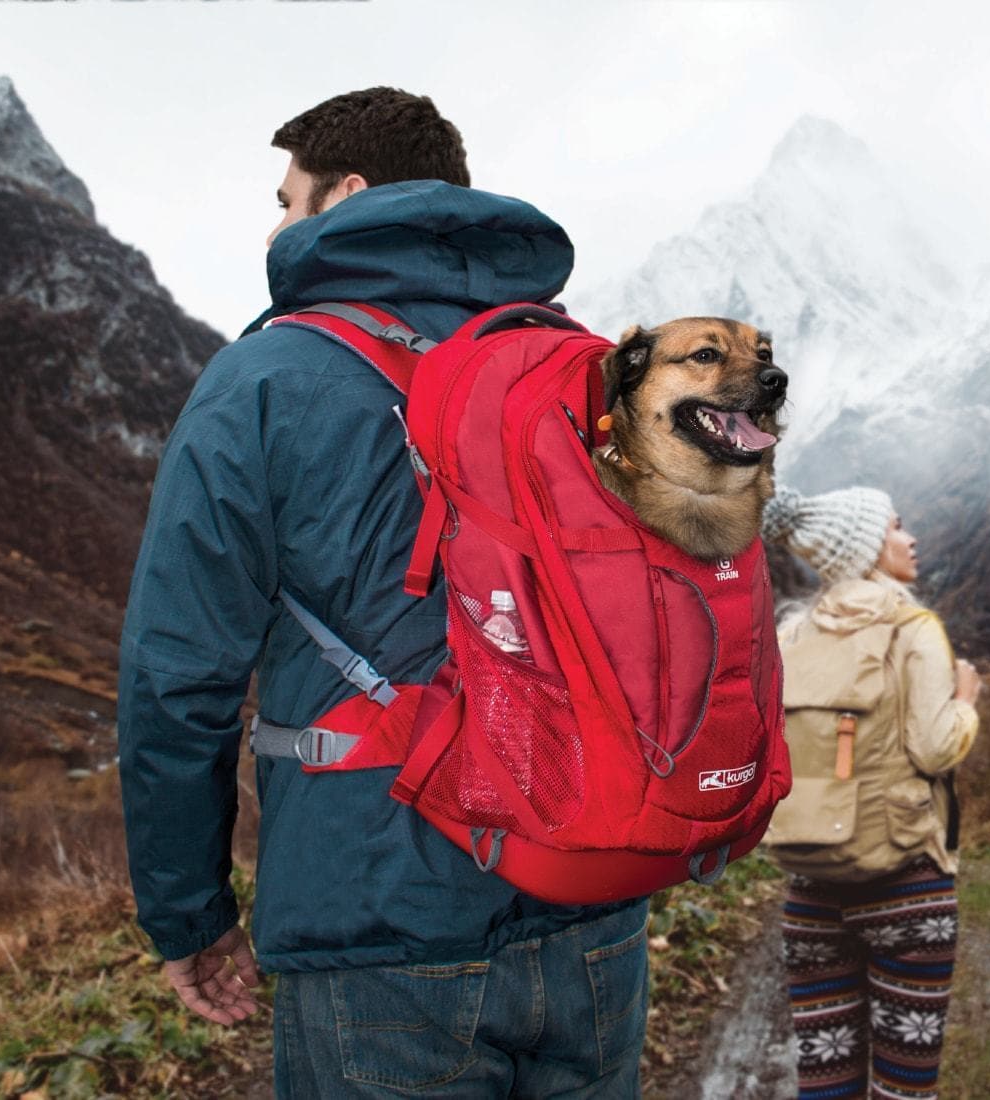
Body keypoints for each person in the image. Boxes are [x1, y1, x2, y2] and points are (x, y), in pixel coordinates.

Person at [118, 87, 649, 1098]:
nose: (276, 227)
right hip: (594, 900)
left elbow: (176, 678)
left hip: (378, 916)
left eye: (287, 200)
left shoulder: (264, 378)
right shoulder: (573, 366)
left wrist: (189, 914)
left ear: (348, 193)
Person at [760, 486, 981, 1100]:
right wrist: (965, 703)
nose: (911, 539)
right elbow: (935, 748)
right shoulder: (914, 630)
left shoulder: (790, 637)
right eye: (896, 528)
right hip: (906, 890)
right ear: (865, 549)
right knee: (903, 1088)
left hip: (809, 895)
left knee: (825, 1084)